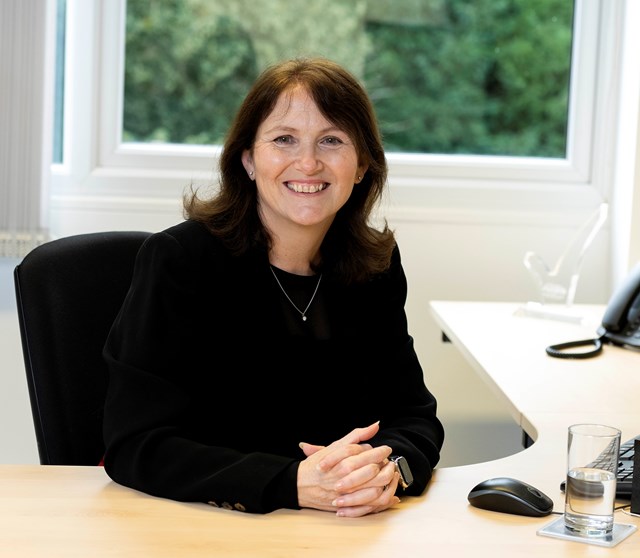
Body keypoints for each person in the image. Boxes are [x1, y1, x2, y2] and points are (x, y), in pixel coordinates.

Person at [102, 56, 444, 518]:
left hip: (341, 531)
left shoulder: (374, 268)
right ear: (247, 159)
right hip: (209, 528)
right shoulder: (181, 262)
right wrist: (291, 483)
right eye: (284, 139)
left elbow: (414, 416)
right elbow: (136, 443)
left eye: (332, 140)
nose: (308, 162)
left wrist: (389, 471)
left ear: (362, 165)